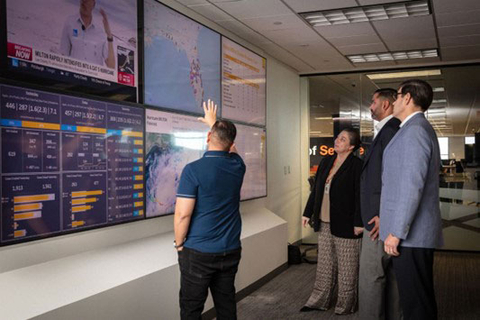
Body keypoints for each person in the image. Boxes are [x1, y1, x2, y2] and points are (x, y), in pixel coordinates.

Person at [174, 100, 246, 320]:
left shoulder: (193, 170)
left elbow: (183, 214)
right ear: (231, 142)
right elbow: (230, 148)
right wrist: (215, 124)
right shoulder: (238, 166)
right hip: (230, 249)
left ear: (207, 137)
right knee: (226, 305)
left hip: (198, 252)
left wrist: (179, 245)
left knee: (191, 309)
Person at [380, 79, 444, 320]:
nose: (394, 101)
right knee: (416, 298)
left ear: (407, 98)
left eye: (397, 96)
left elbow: (411, 186)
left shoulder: (415, 130)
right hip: (413, 234)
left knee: (416, 301)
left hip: (411, 235)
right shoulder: (413, 128)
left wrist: (396, 232)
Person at [301, 127, 363, 315]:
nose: (337, 140)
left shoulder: (357, 166)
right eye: (338, 137)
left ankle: (345, 304)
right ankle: (319, 300)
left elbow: (360, 196)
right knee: (325, 266)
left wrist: (359, 222)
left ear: (351, 146)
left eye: (343, 139)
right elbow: (317, 190)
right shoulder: (326, 161)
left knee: (347, 268)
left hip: (347, 224)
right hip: (324, 220)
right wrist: (307, 212)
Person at [358, 89, 402, 320]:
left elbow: (393, 177)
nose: (370, 106)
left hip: (378, 220)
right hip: (380, 216)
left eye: (373, 101)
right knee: (390, 278)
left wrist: (383, 213)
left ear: (385, 104)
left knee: (371, 277)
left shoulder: (392, 131)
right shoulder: (387, 130)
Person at [59, 0, 115, 68]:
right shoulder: (70, 22)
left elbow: (111, 66)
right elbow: (64, 54)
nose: (84, 2)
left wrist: (109, 35)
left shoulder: (100, 31)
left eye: (88, 0)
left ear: (93, 4)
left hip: (95, 77)